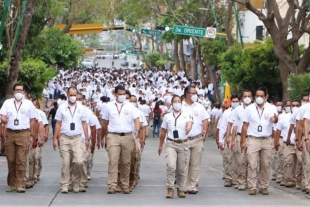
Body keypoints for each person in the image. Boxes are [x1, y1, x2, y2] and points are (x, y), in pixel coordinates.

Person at [101, 85, 140, 194]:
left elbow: (136, 120)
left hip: (127, 136)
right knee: (113, 160)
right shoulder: (109, 106)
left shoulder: (130, 106)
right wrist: (105, 136)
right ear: (115, 94)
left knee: (126, 162)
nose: (122, 96)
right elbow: (105, 123)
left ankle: (125, 184)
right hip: (113, 136)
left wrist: (137, 130)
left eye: (124, 94)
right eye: (120, 94)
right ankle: (112, 185)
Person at [0, 83, 38, 193]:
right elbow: (2, 115)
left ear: (24, 92)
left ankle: (21, 184)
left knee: (21, 159)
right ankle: (12, 184)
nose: (18, 92)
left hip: (23, 133)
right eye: (17, 90)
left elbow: (33, 121)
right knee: (11, 159)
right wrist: (3, 119)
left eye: (21, 90)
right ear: (13, 92)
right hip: (10, 133)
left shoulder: (28, 104)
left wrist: (32, 135)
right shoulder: (7, 103)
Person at [241, 87, 278, 195]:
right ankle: (252, 186)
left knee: (265, 164)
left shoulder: (271, 108)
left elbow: (275, 121)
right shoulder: (249, 109)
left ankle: (263, 186)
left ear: (266, 97)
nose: (259, 98)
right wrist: (243, 141)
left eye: (261, 96)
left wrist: (275, 119)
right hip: (253, 139)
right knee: (252, 163)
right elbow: (245, 126)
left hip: (267, 139)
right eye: (257, 96)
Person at [53, 87, 89, 193]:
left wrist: (87, 138)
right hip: (64, 137)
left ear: (77, 95)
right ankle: (65, 184)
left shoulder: (82, 108)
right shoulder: (61, 107)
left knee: (78, 161)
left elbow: (84, 123)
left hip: (77, 138)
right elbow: (58, 123)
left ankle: (76, 182)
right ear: (67, 95)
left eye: (74, 95)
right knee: (66, 162)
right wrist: (55, 138)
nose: (73, 97)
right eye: (71, 95)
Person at [158, 95, 193, 198]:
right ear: (172, 103)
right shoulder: (167, 116)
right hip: (171, 143)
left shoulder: (186, 114)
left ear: (181, 103)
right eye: (175, 101)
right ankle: (170, 188)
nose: (177, 103)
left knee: (182, 168)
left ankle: (181, 188)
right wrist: (160, 145)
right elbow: (163, 131)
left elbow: (190, 123)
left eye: (179, 101)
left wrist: (188, 128)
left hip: (183, 144)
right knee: (171, 166)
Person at [182, 85, 209, 194]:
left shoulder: (200, 107)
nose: (196, 96)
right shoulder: (180, 106)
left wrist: (205, 131)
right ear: (187, 95)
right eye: (194, 93)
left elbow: (205, 119)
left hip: (197, 138)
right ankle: (183, 185)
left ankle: (192, 186)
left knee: (195, 164)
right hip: (184, 139)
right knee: (184, 163)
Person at [228, 90, 253, 190]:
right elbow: (234, 126)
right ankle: (241, 181)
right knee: (241, 160)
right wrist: (232, 140)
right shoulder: (237, 110)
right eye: (245, 96)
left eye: (249, 96)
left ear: (252, 97)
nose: (247, 98)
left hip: (252, 137)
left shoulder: (255, 109)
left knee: (252, 161)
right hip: (239, 136)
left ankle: (251, 182)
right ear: (242, 98)